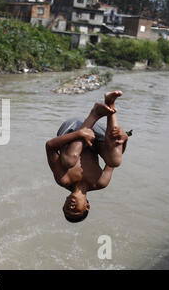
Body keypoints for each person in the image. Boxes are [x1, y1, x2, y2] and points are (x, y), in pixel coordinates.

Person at [45, 91, 129, 223]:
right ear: (87, 206)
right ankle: (111, 104)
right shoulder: (100, 182)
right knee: (115, 160)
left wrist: (78, 134)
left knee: (69, 160)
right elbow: (116, 154)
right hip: (93, 137)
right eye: (75, 210)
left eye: (66, 208)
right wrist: (124, 139)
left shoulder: (64, 179)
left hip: (72, 129)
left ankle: (95, 113)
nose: (70, 207)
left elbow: (49, 146)